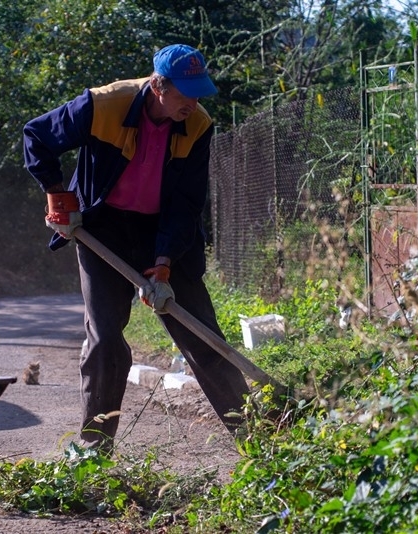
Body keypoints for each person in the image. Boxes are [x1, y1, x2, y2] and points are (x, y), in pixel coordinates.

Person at [23, 44, 250, 449]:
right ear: (159, 86)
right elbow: (37, 135)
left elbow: (186, 204)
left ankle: (260, 439)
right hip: (102, 229)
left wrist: (163, 263)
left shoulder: (198, 124)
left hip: (162, 230)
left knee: (201, 335)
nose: (193, 103)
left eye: (199, 92)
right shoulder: (104, 105)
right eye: (186, 93)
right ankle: (94, 448)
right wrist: (58, 196)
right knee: (106, 337)